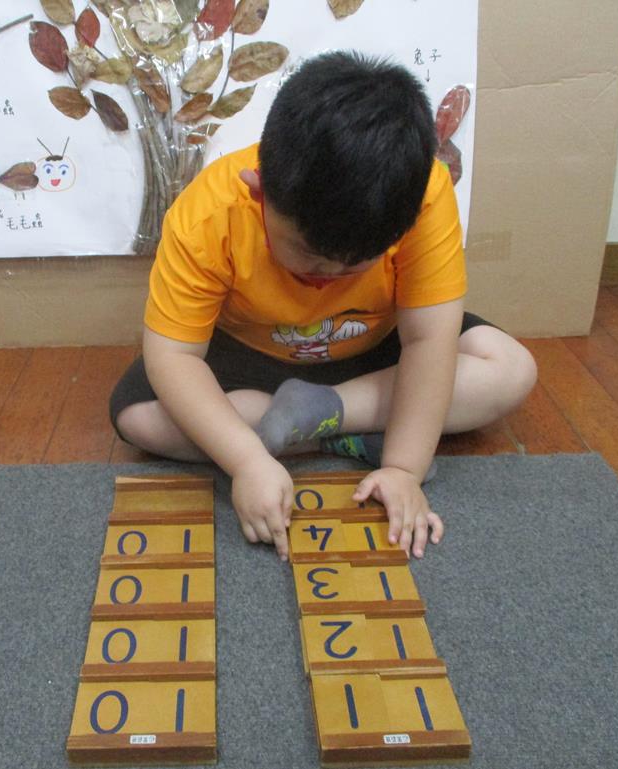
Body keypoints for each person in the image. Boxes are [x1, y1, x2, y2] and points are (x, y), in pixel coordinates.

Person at [109, 51, 537, 562]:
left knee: (511, 368)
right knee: (140, 419)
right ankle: (342, 435)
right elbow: (173, 357)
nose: (326, 276)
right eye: (308, 254)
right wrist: (246, 462)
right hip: (253, 351)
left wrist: (404, 468)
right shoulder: (209, 213)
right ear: (259, 190)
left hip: (377, 347)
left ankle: (326, 415)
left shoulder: (423, 193)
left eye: (355, 263)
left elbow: (428, 339)